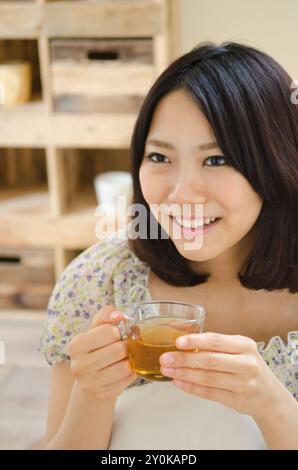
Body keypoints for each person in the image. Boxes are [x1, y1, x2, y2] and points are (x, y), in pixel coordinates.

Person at [39, 41, 298, 450]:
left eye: (217, 160)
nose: (181, 195)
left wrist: (273, 406)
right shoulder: (97, 281)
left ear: (278, 162)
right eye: (160, 157)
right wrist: (91, 396)